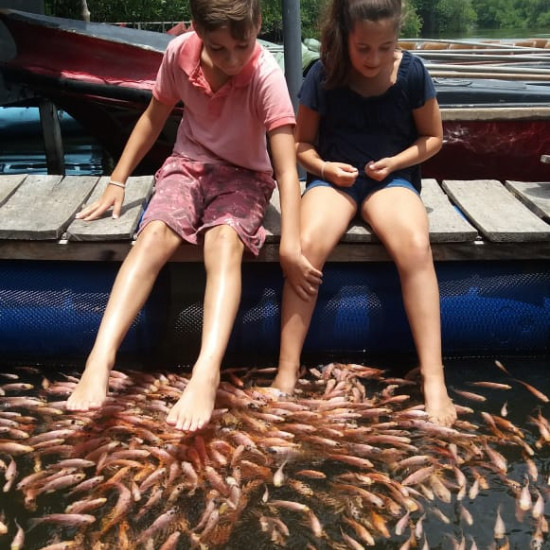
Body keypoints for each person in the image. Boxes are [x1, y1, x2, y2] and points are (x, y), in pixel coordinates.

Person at [66, 0, 321, 432]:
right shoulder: (179, 54)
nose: (234, 59)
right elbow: (153, 117)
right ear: (199, 33)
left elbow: (284, 170)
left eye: (243, 45)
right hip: (187, 165)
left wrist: (291, 246)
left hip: (246, 176)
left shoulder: (265, 75)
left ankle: (206, 370)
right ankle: (101, 356)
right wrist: (117, 179)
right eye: (219, 49)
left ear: (258, 25)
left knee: (224, 240)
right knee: (154, 234)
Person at [272, 0, 457, 426]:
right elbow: (302, 146)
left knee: (414, 245)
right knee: (307, 244)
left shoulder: (412, 73)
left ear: (397, 39)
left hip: (391, 180)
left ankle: (434, 379)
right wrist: (323, 168)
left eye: (385, 47)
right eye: (363, 48)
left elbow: (433, 138)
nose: (374, 59)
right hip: (334, 179)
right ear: (344, 35)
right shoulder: (322, 73)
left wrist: (396, 162)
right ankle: (286, 371)